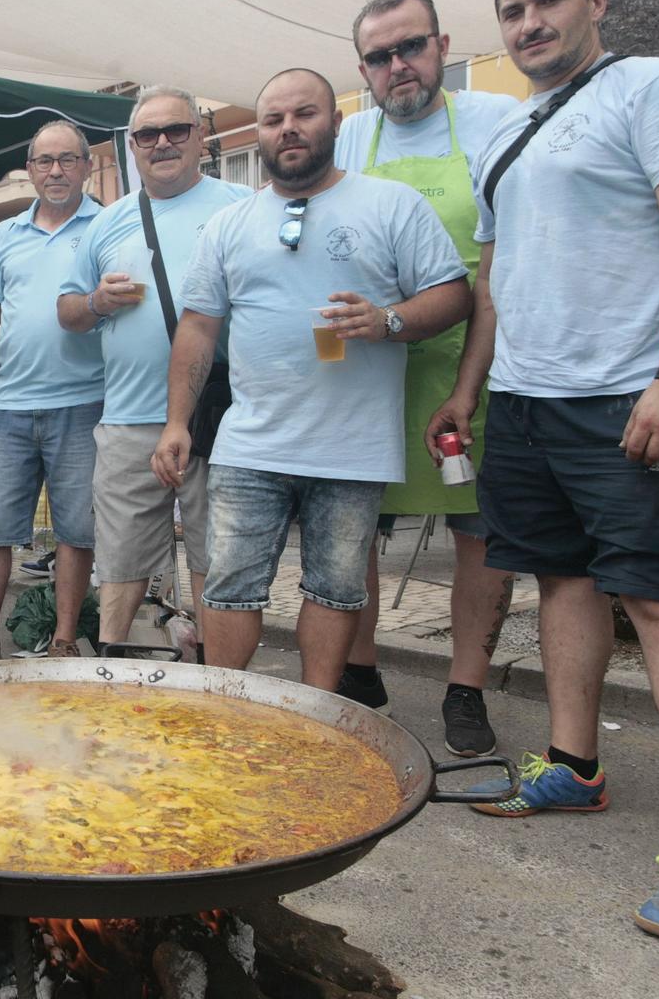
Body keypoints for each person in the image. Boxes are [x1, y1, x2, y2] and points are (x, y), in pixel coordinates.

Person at [428, 0, 659, 942]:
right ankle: (572, 767)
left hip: (629, 394)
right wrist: (468, 388)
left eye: (547, 2)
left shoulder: (658, 89)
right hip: (526, 403)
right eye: (513, 12)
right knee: (560, 580)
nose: (529, 24)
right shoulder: (507, 133)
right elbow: (495, 282)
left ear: (595, 0)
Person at [156, 68, 470, 692]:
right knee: (228, 585)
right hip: (251, 443)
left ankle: (316, 715)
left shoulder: (390, 204)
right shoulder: (230, 224)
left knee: (336, 587)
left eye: (304, 114)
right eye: (273, 120)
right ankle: (225, 707)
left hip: (352, 447)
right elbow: (196, 329)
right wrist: (175, 422)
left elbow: (455, 295)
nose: (288, 129)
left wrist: (389, 320)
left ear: (335, 122)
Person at [332, 0, 524, 754]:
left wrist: (469, 387)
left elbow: (499, 269)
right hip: (366, 373)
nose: (398, 66)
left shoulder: (496, 123)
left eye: (410, 47)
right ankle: (362, 669)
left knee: (479, 532)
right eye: (379, 56)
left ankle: (467, 685)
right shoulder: (347, 138)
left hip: (468, 364)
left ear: (443, 45)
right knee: (355, 529)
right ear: (363, 70)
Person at [59, 85, 250, 647]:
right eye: (148, 134)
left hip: (217, 419)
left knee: (215, 556)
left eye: (176, 130)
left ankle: (217, 680)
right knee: (120, 555)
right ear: (132, 146)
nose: (162, 143)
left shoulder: (242, 206)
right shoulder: (107, 222)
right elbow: (67, 311)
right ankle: (112, 664)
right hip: (128, 420)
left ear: (201, 137)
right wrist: (96, 302)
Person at [0, 119, 106, 660]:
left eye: (67, 160)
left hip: (85, 403)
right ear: (30, 170)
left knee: (76, 532)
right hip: (11, 406)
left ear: (86, 165)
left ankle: (63, 641)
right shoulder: (7, 236)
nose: (56, 171)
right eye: (44, 161)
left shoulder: (107, 226)